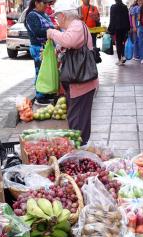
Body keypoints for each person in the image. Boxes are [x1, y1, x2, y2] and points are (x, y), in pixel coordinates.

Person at [47, 1, 99, 145]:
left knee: (77, 122)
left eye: (57, 17)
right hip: (78, 83)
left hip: (82, 83)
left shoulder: (76, 26)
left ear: (63, 16)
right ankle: (81, 151)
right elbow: (66, 46)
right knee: (78, 119)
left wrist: (52, 33)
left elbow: (68, 41)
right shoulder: (74, 26)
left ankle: (79, 153)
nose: (56, 20)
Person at [25, 0, 55, 101]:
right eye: (44, 3)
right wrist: (52, 31)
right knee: (40, 72)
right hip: (38, 48)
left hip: (46, 48)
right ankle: (40, 95)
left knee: (46, 71)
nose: (46, 5)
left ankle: (46, 92)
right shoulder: (32, 15)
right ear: (36, 3)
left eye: (47, 3)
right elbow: (37, 32)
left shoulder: (44, 14)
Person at [108, 0, 131, 65]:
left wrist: (110, 28)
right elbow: (127, 18)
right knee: (123, 42)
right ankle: (123, 56)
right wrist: (128, 28)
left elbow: (112, 18)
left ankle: (119, 60)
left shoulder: (113, 7)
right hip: (124, 28)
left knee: (118, 43)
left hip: (117, 28)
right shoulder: (125, 7)